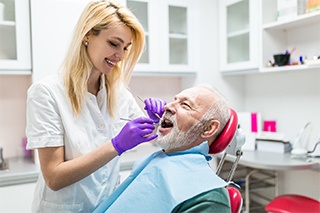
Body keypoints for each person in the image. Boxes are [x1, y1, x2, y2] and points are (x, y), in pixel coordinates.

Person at [26, 1, 166, 212]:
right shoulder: (46, 93)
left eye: (125, 48)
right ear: (87, 35)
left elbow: (148, 135)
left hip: (107, 206)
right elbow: (54, 177)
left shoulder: (117, 93)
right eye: (113, 43)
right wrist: (116, 145)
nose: (120, 56)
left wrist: (157, 120)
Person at [93, 84, 233, 213]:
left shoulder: (208, 197)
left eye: (185, 105)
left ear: (208, 128)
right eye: (174, 100)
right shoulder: (156, 160)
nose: (167, 106)